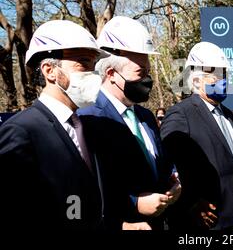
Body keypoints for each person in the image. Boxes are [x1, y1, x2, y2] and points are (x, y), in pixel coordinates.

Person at [0, 20, 107, 230]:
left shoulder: (87, 126)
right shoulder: (20, 132)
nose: (94, 74)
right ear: (50, 70)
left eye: (95, 66)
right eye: (83, 62)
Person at [78, 16, 181, 230]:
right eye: (140, 73)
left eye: (148, 72)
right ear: (111, 74)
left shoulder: (145, 116)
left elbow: (161, 163)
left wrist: (174, 182)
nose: (147, 80)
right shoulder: (88, 119)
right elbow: (86, 187)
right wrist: (135, 203)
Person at [160, 41, 233, 230]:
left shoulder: (227, 114)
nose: (222, 80)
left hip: (228, 220)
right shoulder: (181, 114)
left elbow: (232, 159)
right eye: (215, 75)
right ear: (197, 80)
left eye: (224, 74)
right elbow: (167, 167)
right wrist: (190, 203)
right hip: (200, 224)